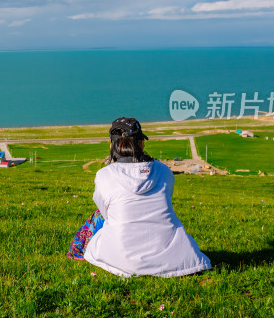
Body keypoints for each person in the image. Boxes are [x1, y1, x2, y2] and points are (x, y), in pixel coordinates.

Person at [67, 117, 211, 278]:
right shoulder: (164, 171)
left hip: (121, 258)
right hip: (173, 259)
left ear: (112, 145)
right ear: (141, 143)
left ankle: (76, 251)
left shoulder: (104, 175)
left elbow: (105, 213)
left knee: (98, 215)